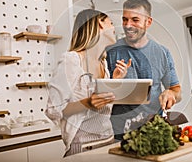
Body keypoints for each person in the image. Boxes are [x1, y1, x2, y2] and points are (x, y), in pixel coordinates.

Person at [45, 9, 131, 156]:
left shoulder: (103, 63)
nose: (114, 28)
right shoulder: (71, 60)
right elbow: (53, 110)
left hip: (108, 139)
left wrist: (115, 80)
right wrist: (88, 103)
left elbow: (103, 104)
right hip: (84, 144)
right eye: (111, 23)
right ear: (100, 24)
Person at [106, 0, 181, 140]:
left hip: (155, 128)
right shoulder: (110, 51)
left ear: (148, 22)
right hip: (119, 132)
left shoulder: (163, 53)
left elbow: (176, 89)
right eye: (124, 19)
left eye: (135, 20)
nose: (128, 25)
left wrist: (171, 94)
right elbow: (101, 94)